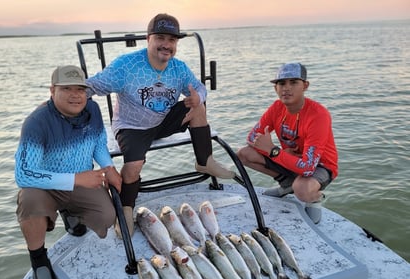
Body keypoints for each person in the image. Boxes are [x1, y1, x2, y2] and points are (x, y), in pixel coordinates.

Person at [86, 13, 235, 236]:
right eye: (161, 38)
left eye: (172, 40)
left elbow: (198, 87)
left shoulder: (179, 68)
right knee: (133, 166)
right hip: (132, 126)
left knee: (197, 107)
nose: (166, 45)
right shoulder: (127, 66)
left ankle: (204, 161)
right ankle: (126, 207)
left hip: (163, 120)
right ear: (149, 39)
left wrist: (199, 98)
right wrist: (62, 97)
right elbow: (93, 86)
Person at [14, 65, 122, 279]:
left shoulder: (92, 109)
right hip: (46, 186)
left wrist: (109, 168)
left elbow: (98, 145)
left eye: (80, 89)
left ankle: (70, 214)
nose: (76, 95)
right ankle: (39, 262)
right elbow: (23, 174)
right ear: (52, 90)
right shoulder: (36, 122)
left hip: (79, 181)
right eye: (67, 89)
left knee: (107, 216)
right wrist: (75, 179)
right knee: (29, 201)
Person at [237, 62, 338, 224]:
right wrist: (279, 153)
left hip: (320, 165)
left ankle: (314, 197)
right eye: (281, 83)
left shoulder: (318, 115)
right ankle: (287, 184)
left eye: (293, 82)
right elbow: (252, 138)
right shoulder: (277, 107)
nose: (286, 88)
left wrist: (274, 151)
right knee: (243, 154)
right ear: (275, 88)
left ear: (305, 86)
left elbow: (308, 167)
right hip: (294, 162)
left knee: (302, 189)